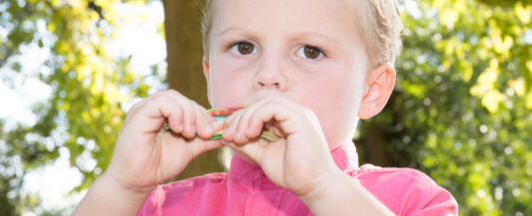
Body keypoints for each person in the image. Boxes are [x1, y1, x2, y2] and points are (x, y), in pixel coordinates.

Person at [73, 0, 458, 215]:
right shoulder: (163, 208)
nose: (268, 75)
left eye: (310, 51)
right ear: (209, 76)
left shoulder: (409, 200)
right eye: (244, 47)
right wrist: (124, 185)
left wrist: (323, 187)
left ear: (371, 90)